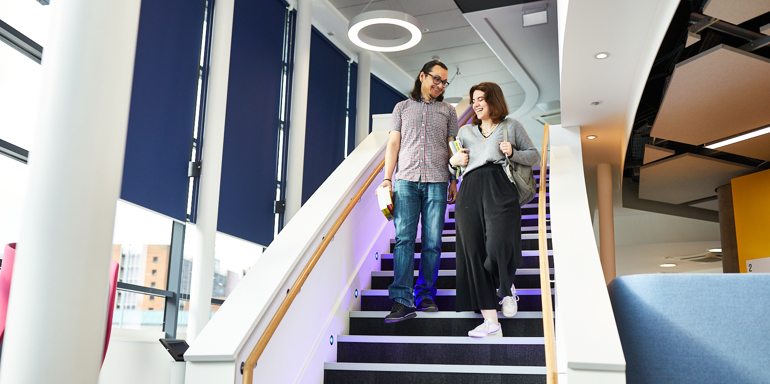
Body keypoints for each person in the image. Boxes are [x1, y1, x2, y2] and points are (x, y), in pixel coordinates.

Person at [450, 82, 540, 337]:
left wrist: (513, 152)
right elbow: (454, 167)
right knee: (473, 253)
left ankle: (506, 287)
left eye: (481, 99)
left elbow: (534, 155)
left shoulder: (511, 126)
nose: (475, 104)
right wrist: (452, 162)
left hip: (500, 186)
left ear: (494, 100)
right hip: (469, 190)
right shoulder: (465, 131)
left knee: (499, 244)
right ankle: (491, 322)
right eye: (473, 100)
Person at [377, 60, 459, 323]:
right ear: (422, 76)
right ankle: (402, 300)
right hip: (406, 181)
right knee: (404, 240)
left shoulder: (449, 111)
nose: (440, 85)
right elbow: (393, 143)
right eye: (436, 79)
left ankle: (425, 295)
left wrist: (454, 180)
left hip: (438, 180)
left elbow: (452, 147)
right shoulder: (401, 108)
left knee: (433, 242)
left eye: (444, 82)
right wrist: (387, 178)